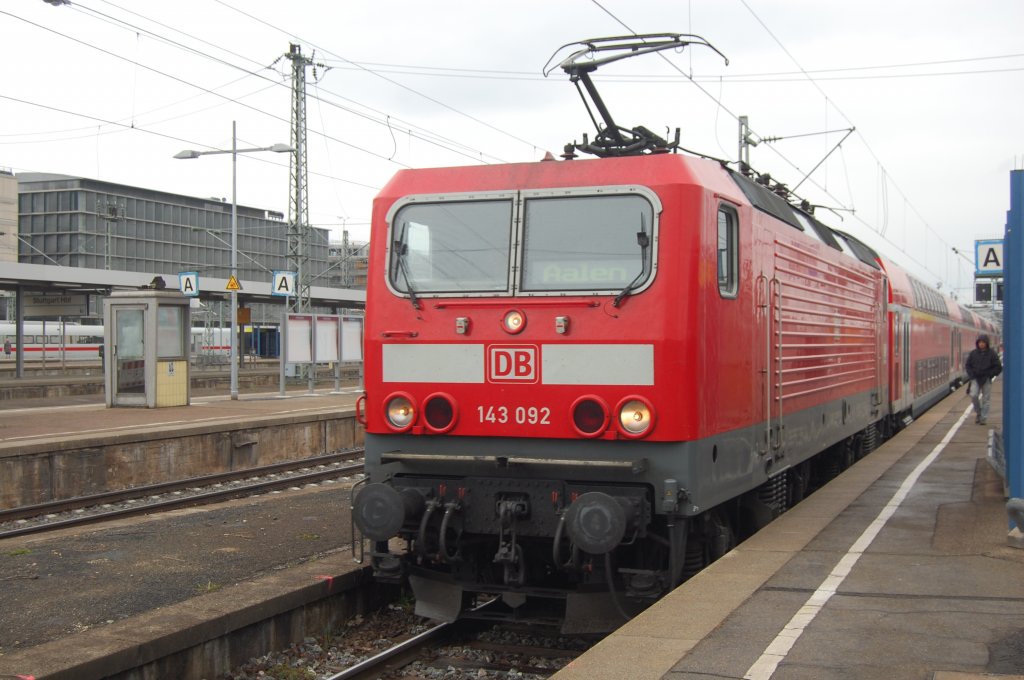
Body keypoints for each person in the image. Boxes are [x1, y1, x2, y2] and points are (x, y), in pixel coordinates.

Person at [965, 334, 1002, 425]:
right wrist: (971, 375)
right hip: (975, 378)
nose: (981, 344)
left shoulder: (992, 354)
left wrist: (990, 375)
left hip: (986, 379)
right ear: (977, 343)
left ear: (986, 343)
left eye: (983, 342)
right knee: (973, 395)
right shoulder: (973, 353)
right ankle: (978, 413)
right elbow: (968, 365)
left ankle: (983, 418)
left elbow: (998, 367)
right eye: (980, 342)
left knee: (986, 399)